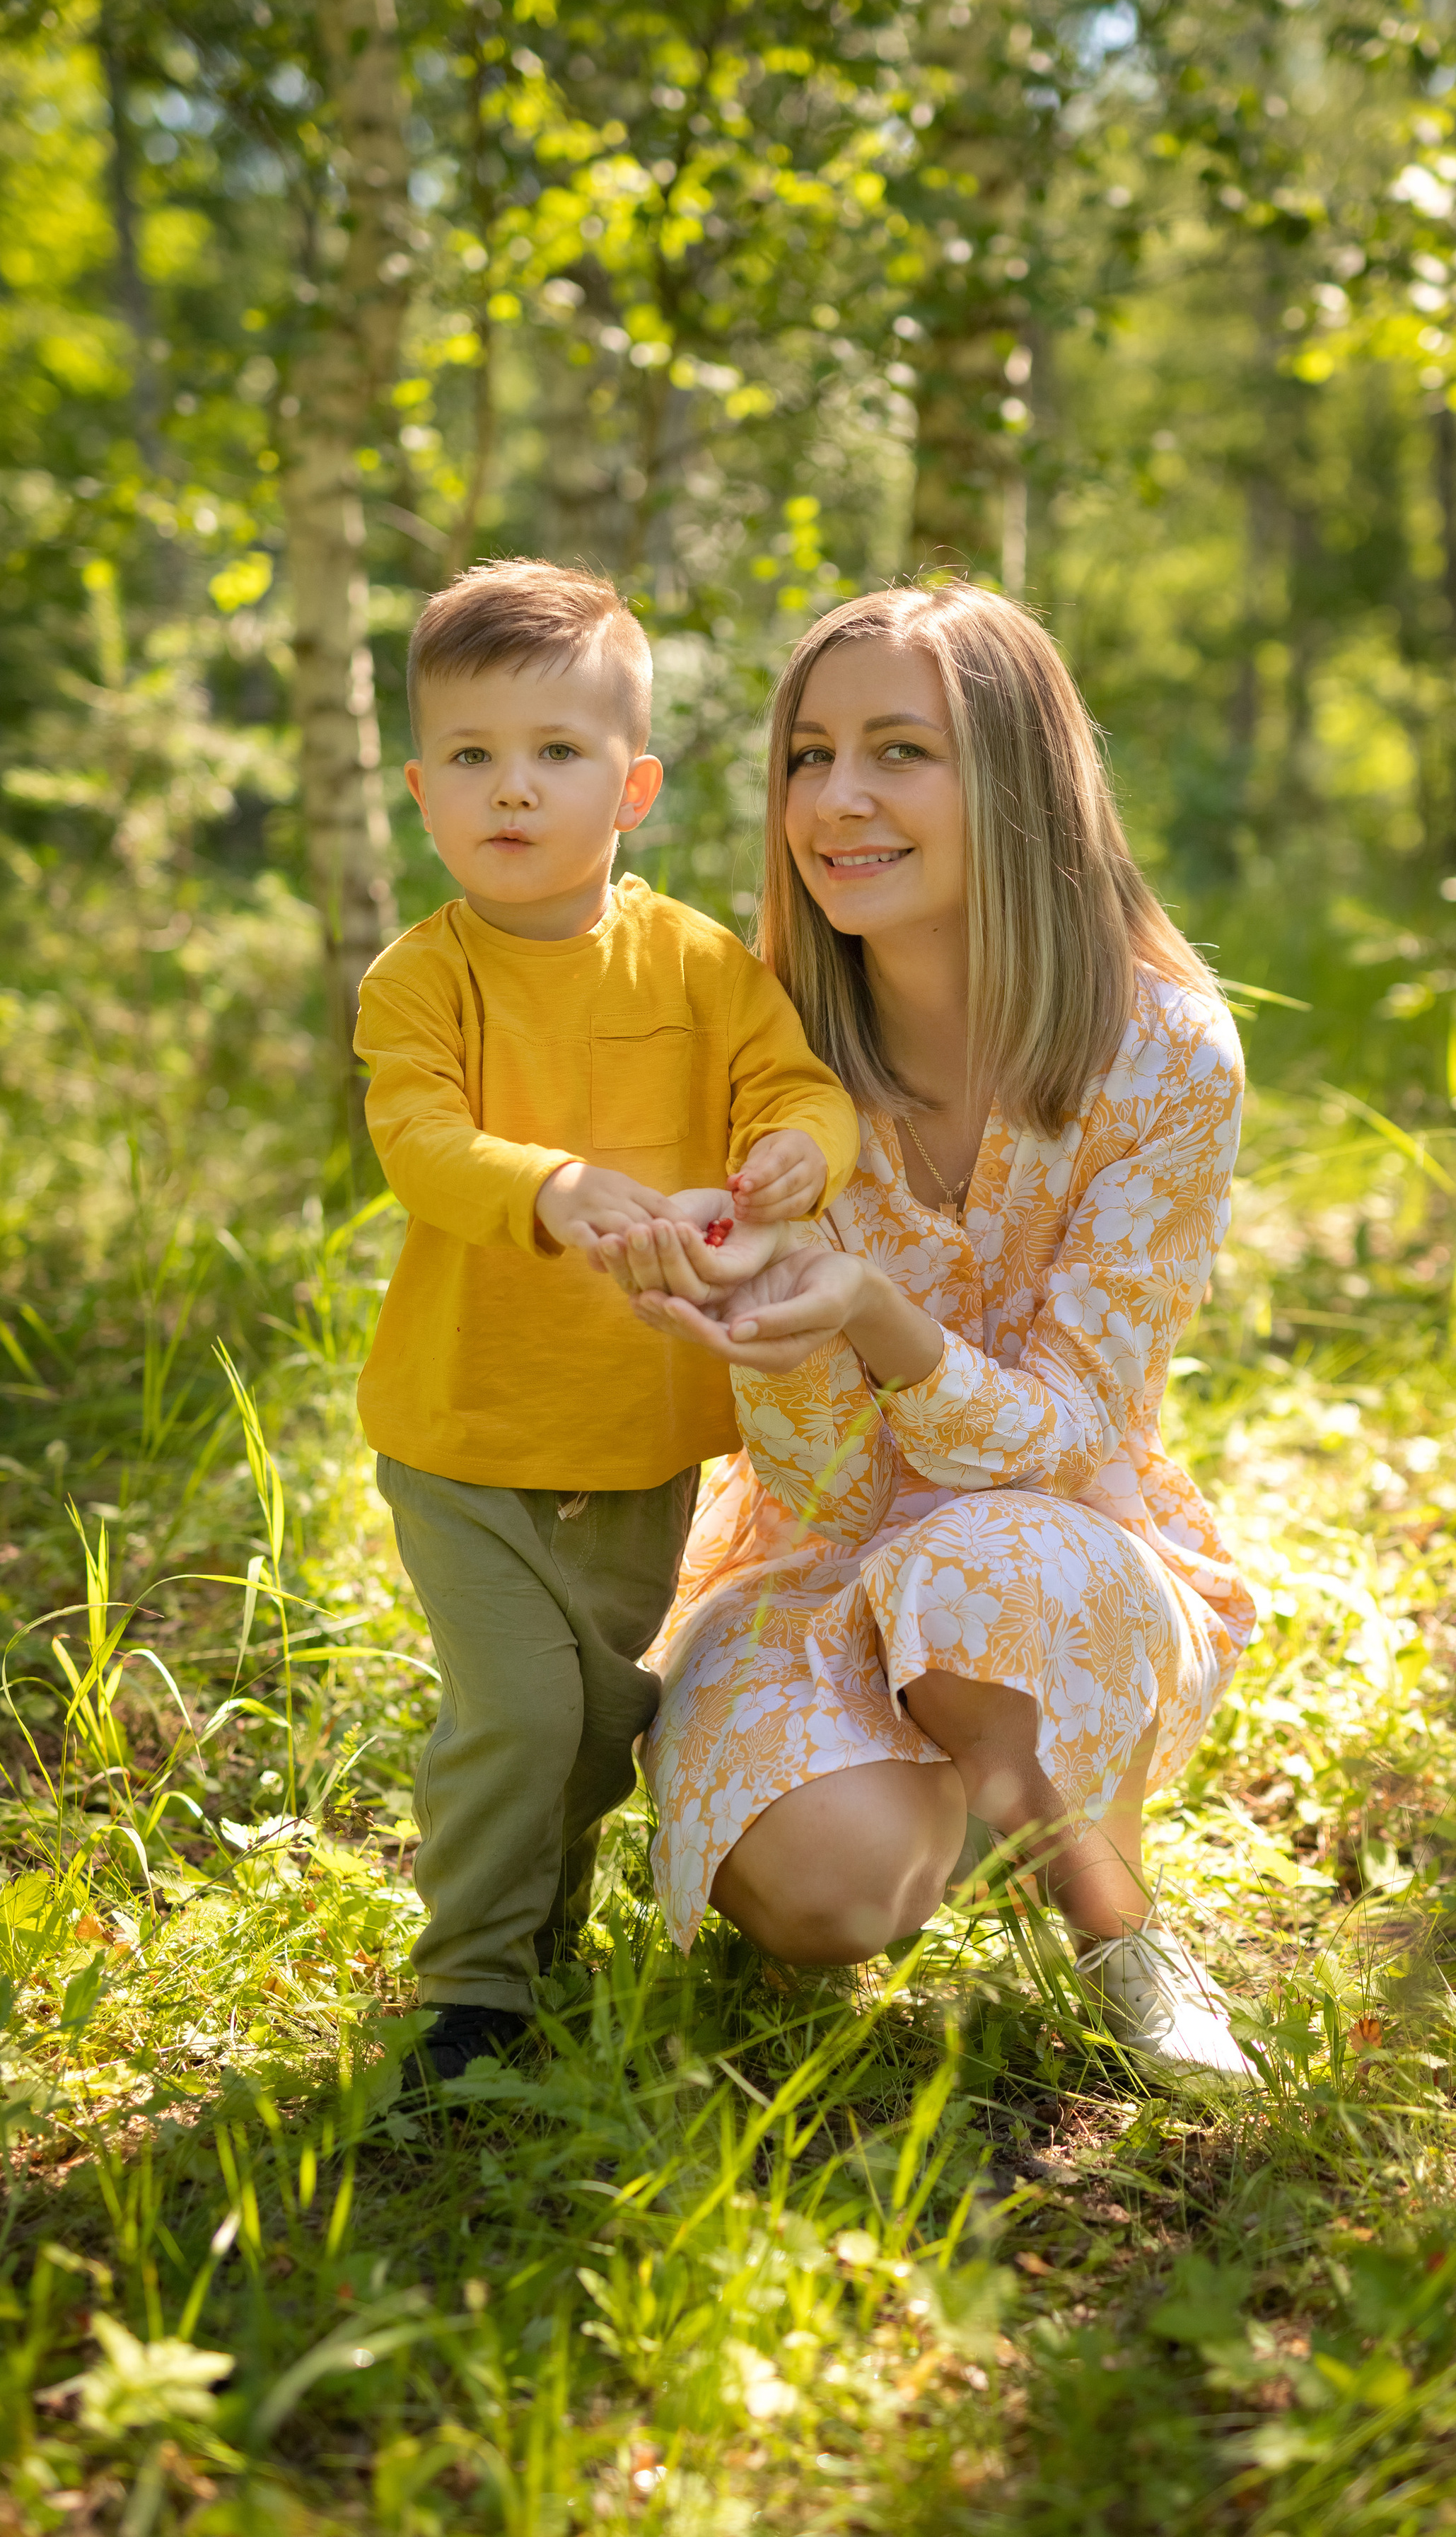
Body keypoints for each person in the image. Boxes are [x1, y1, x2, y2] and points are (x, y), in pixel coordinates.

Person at [600, 582, 1259, 2072]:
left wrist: (881, 1320)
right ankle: (982, 1784)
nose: (836, 802)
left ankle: (1112, 1921)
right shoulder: (754, 1045)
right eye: (806, 757)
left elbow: (1075, 1427)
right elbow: (826, 1495)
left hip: (1060, 1549)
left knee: (979, 1565)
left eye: (899, 751)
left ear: (1014, 778)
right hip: (816, 1553)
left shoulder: (1162, 1053)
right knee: (826, 1898)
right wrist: (780, 1354)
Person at [354, 559, 860, 2088]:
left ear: (630, 785)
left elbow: (793, 1089)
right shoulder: (419, 981)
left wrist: (798, 1150)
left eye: (556, 755)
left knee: (590, 1718)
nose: (513, 791)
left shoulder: (699, 965)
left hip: (641, 1431)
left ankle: (544, 1924)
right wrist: (556, 1184)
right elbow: (420, 1145)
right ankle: (471, 1993)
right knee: (516, 1706)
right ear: (420, 791)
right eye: (473, 758)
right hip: (464, 1432)